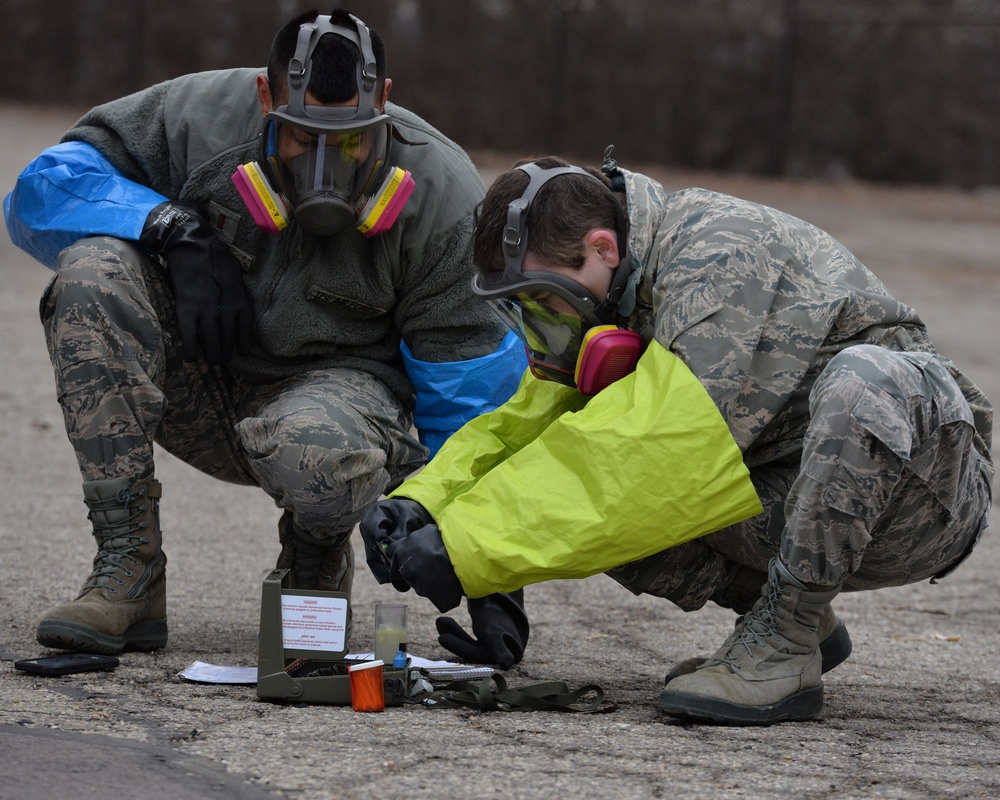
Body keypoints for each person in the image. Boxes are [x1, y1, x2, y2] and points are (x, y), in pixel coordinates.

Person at [359, 148, 993, 724]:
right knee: (611, 505)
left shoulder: (717, 253)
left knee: (861, 384)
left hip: (923, 492)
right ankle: (794, 617)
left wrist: (467, 548)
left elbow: (656, 453)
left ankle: (786, 640)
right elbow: (536, 424)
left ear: (603, 248)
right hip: (796, 484)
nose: (538, 321)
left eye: (541, 299)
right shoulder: (605, 288)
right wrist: (426, 504)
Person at [2, 9, 528, 660]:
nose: (325, 168)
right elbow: (42, 190)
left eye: (352, 142)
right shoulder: (195, 120)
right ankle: (127, 571)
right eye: (302, 139)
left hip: (337, 419)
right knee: (91, 275)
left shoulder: (440, 196)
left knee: (320, 451)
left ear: (385, 104)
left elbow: (472, 404)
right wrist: (166, 224)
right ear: (264, 96)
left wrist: (494, 580)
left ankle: (314, 560)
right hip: (198, 383)